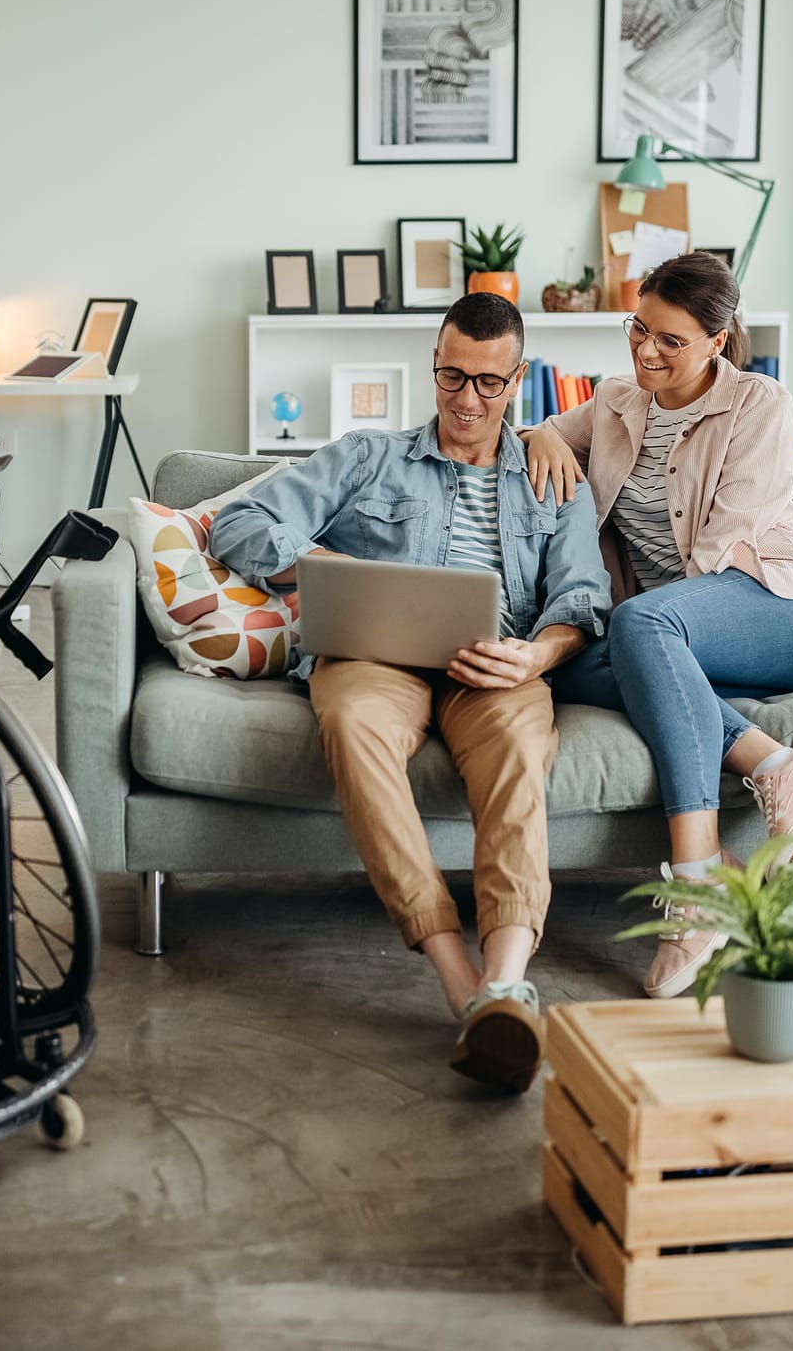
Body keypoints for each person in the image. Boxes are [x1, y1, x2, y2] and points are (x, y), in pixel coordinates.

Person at [210, 293, 609, 1092]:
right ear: (433, 367)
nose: (467, 401)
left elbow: (584, 600)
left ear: (518, 379)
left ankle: (507, 984)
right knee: (352, 724)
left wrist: (536, 658)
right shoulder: (368, 456)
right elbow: (238, 525)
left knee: (523, 747)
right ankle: (457, 974)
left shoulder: (550, 476)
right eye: (452, 377)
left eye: (489, 385)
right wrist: (325, 567)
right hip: (374, 658)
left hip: (494, 666)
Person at [522, 253, 793, 1000]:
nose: (645, 351)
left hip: (790, 607)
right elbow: (539, 434)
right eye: (638, 328)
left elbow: (718, 555)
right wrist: (541, 435)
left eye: (669, 340)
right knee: (570, 659)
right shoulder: (613, 403)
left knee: (637, 627)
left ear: (717, 339)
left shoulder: (760, 404)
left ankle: (697, 884)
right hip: (676, 632)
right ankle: (778, 765)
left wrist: (652, 633)